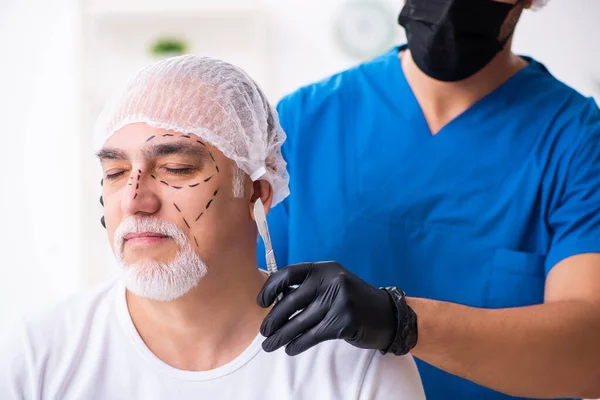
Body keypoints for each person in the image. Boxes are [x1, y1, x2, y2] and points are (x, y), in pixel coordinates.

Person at [0, 56, 426, 399]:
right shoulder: (37, 352)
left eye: (177, 168)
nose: (134, 199)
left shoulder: (352, 362)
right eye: (115, 172)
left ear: (258, 194)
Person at [256, 0, 600, 399]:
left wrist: (401, 321)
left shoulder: (575, 142)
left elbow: (588, 352)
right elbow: (240, 307)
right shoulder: (302, 123)